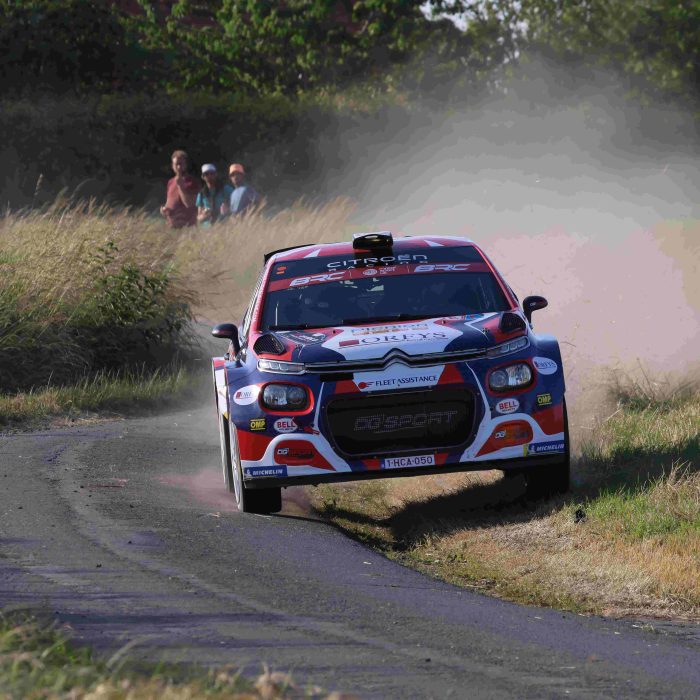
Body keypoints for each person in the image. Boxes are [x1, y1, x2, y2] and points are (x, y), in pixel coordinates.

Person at [160, 149, 198, 228]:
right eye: (176, 164)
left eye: (181, 164)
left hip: (187, 228)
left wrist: (180, 186)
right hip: (171, 227)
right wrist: (164, 210)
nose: (179, 167)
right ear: (172, 166)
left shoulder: (192, 181)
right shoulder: (170, 182)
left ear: (186, 165)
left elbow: (189, 204)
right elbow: (169, 202)